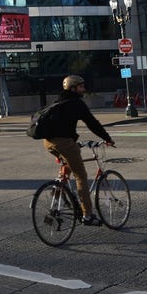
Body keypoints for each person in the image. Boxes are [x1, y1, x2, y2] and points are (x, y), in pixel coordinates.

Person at [41, 74, 115, 226]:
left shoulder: (59, 101)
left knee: (67, 168)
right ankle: (87, 215)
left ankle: (57, 196)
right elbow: (92, 123)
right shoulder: (76, 103)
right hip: (64, 142)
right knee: (81, 175)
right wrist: (107, 138)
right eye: (81, 86)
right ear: (73, 88)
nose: (84, 89)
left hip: (48, 142)